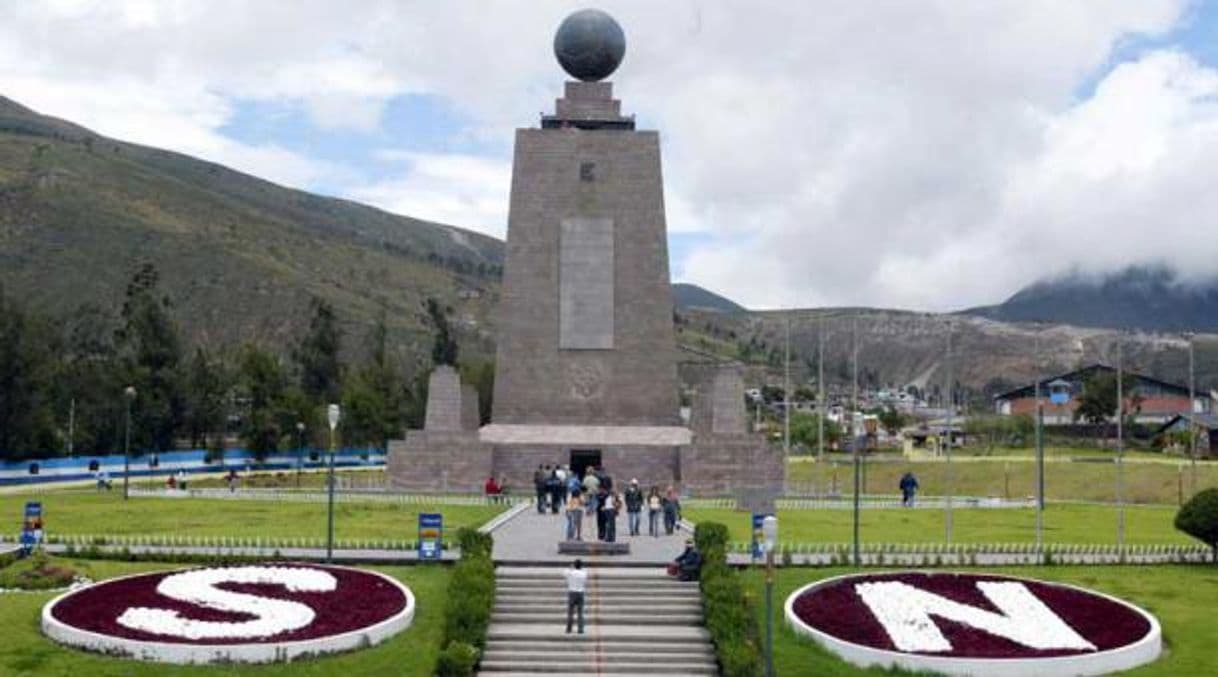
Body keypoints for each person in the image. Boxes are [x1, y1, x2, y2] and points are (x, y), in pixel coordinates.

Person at [564, 559, 588, 634]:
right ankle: (580, 629)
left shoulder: (570, 573)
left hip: (572, 592)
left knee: (570, 612)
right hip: (580, 593)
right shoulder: (583, 573)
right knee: (580, 613)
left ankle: (569, 629)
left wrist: (571, 568)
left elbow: (565, 573)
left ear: (574, 565)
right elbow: (585, 578)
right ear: (581, 566)